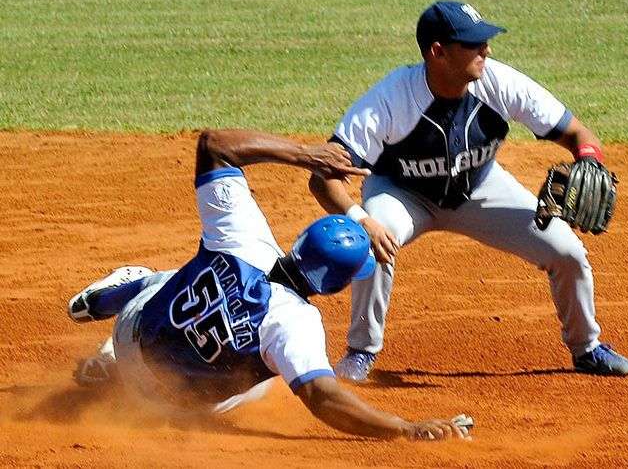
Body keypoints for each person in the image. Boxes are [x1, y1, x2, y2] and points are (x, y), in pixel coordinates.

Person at [67, 129, 470, 441]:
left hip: (129, 333)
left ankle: (115, 298)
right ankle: (114, 370)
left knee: (171, 279)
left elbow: (214, 145)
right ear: (335, 285)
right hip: (160, 404)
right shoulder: (295, 325)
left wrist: (306, 156)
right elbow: (323, 398)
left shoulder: (244, 237)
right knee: (268, 377)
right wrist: (404, 427)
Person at [309, 0, 628, 382]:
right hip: (403, 194)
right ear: (438, 52)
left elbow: (579, 134)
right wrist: (361, 218)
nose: (487, 50)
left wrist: (589, 159)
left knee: (566, 252)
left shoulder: (499, 82)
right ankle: (359, 354)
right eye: (474, 44)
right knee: (373, 239)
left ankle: (587, 348)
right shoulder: (390, 99)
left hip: (480, 188)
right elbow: (323, 176)